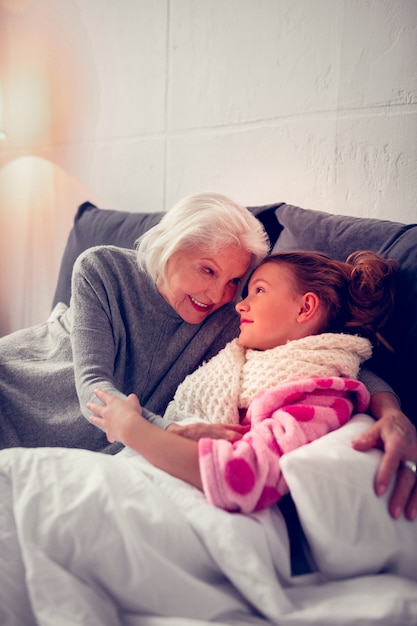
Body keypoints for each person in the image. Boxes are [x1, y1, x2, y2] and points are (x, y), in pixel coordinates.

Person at [0, 192, 416, 519]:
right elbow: (93, 390)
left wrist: (391, 411)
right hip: (19, 386)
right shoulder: (102, 269)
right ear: (170, 247)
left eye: (235, 279)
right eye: (206, 270)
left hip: (86, 454)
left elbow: (332, 354)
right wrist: (166, 432)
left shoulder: (229, 317)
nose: (219, 294)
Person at [87, 250, 396, 513]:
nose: (238, 304)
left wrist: (133, 430)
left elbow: (244, 477)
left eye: (258, 291)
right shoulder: (240, 359)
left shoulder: (320, 393)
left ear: (305, 308)